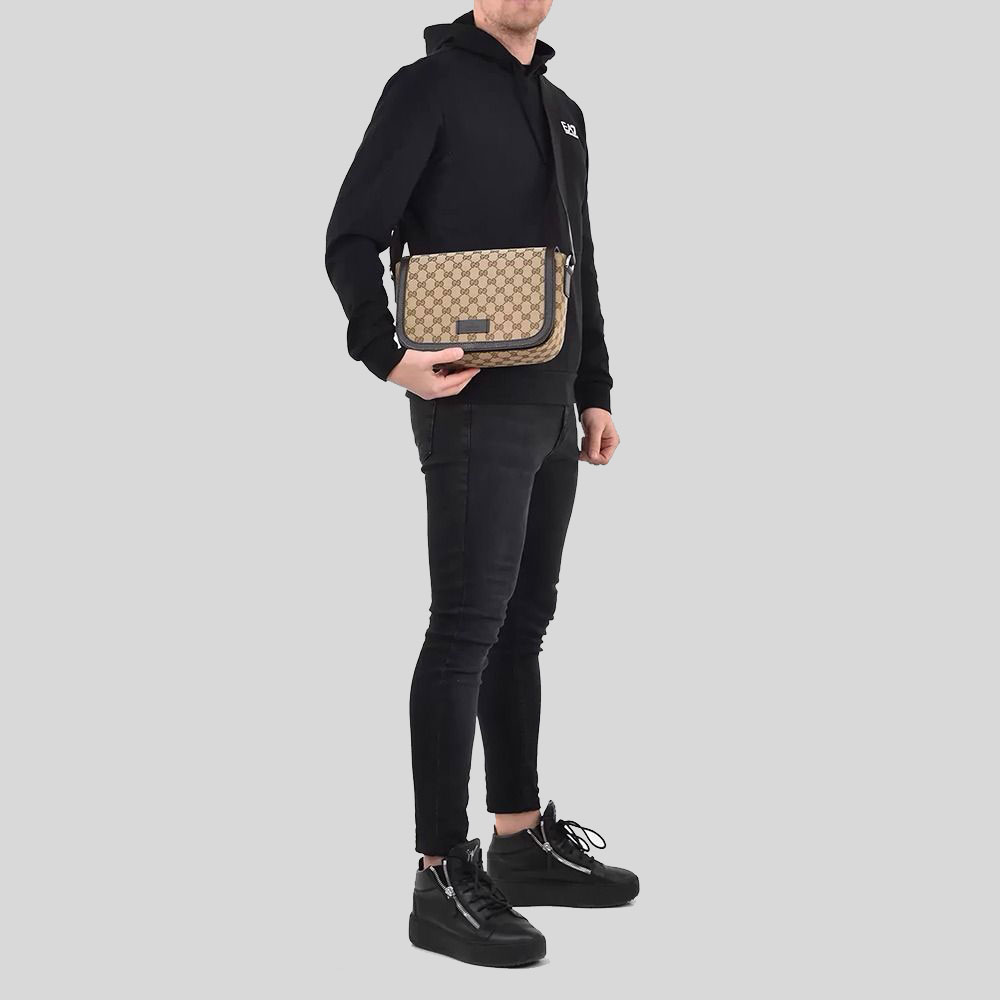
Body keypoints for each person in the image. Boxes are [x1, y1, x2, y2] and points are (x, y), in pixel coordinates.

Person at [325, 2, 637, 966]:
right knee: (465, 627)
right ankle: (437, 874)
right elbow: (350, 234)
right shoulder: (426, 87)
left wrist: (595, 389)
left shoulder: (565, 108)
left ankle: (518, 839)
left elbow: (580, 260)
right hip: (467, 398)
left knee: (523, 624)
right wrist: (386, 354)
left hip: (551, 404)